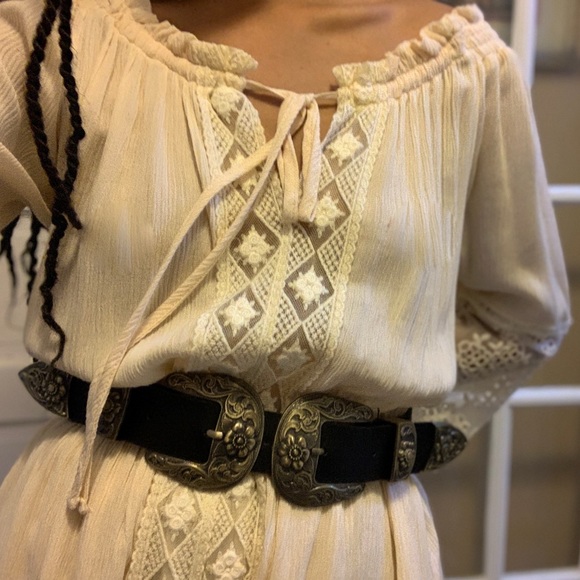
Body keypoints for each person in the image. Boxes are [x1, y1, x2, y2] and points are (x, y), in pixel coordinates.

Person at [0, 0, 572, 577]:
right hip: (89, 533)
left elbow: (521, 316)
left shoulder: (467, 71)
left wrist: (363, 424)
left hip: (350, 554)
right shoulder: (75, 33)